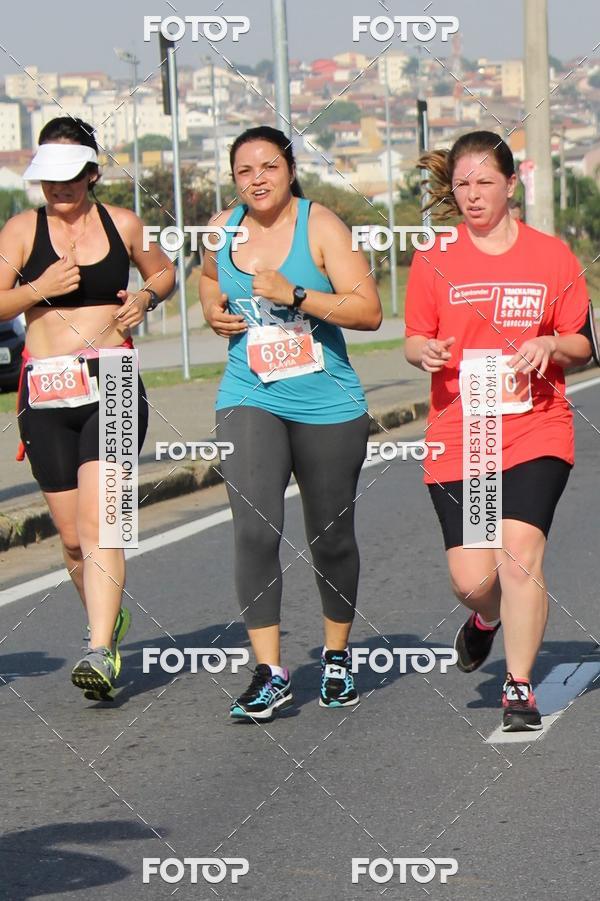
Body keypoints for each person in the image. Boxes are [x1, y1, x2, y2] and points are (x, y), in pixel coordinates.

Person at [404, 130, 591, 732]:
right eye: (462, 184)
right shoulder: (435, 258)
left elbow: (585, 344)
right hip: (463, 433)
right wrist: (424, 352)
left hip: (536, 426)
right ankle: (485, 621)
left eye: (486, 182)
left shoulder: (552, 257)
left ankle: (518, 686)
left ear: (512, 185)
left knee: (519, 558)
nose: (473, 194)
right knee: (475, 580)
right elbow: (412, 338)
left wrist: (550, 343)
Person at [199, 125, 382, 721]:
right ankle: (270, 671)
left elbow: (369, 310)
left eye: (269, 166)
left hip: (327, 401)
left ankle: (335, 658)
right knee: (255, 528)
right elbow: (208, 280)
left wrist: (295, 293)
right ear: (234, 179)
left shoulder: (321, 224)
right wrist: (211, 309)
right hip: (249, 393)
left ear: (289, 168)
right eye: (245, 170)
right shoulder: (221, 230)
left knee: (330, 538)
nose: (257, 178)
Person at [0, 117, 175, 699]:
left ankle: (99, 650)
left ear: (93, 173)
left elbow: (164, 271)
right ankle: (109, 623)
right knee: (72, 538)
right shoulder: (22, 230)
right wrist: (38, 288)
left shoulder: (122, 223)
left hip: (113, 377)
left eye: (71, 176)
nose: (60, 188)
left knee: (104, 521)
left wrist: (146, 296)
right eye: (49, 178)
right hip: (45, 388)